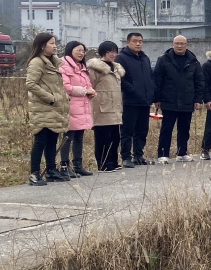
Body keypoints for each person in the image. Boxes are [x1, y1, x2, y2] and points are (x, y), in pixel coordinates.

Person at [25, 33, 71, 185]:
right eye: (52, 43)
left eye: (55, 43)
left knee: (52, 140)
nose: (55, 46)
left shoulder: (54, 62)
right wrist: (50, 98)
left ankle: (51, 170)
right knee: (41, 141)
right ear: (43, 45)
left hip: (54, 108)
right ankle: (34, 173)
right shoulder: (37, 62)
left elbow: (56, 86)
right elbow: (31, 84)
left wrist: (63, 98)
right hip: (43, 108)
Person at [152, 35, 204, 163]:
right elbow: (157, 80)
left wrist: (198, 99)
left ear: (187, 45)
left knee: (184, 129)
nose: (179, 46)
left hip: (187, 100)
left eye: (182, 44)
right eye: (177, 43)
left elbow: (199, 81)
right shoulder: (163, 60)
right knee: (166, 129)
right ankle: (163, 154)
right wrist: (157, 98)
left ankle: (182, 153)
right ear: (172, 44)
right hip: (168, 100)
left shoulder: (193, 61)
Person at [58, 41, 96, 177]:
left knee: (79, 137)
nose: (81, 53)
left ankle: (78, 165)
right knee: (68, 137)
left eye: (83, 51)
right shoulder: (64, 66)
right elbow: (66, 87)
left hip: (82, 107)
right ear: (70, 50)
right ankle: (64, 166)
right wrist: (85, 91)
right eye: (78, 50)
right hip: (70, 106)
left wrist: (91, 91)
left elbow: (88, 85)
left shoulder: (82, 67)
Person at [117, 32, 155, 168]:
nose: (138, 43)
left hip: (144, 101)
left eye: (140, 41)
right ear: (128, 42)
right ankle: (126, 157)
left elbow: (150, 77)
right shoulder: (121, 58)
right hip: (130, 101)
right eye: (135, 41)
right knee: (127, 131)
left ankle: (138, 155)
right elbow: (121, 79)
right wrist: (134, 90)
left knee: (142, 130)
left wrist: (151, 92)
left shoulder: (144, 58)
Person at [87, 41, 124, 173]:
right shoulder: (95, 69)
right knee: (103, 138)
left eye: (115, 51)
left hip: (115, 108)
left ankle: (113, 161)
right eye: (110, 52)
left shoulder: (116, 68)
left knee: (115, 137)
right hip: (102, 108)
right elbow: (89, 86)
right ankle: (103, 163)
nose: (113, 54)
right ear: (103, 52)